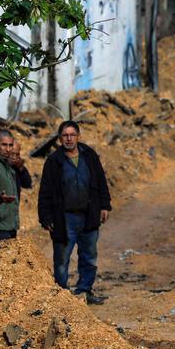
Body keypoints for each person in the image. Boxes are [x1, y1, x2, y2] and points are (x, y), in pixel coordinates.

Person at [38, 121, 111, 305]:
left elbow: (101, 181)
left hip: (89, 215)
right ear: (60, 138)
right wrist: (45, 217)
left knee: (89, 256)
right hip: (64, 218)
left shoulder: (89, 155)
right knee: (62, 258)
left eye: (72, 134)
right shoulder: (54, 161)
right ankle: (62, 297)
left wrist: (105, 205)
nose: (69, 138)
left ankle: (85, 291)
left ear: (78, 136)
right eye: (65, 135)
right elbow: (45, 191)